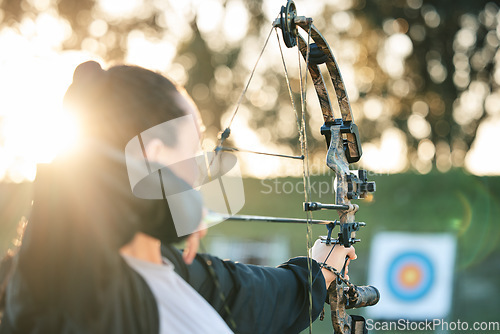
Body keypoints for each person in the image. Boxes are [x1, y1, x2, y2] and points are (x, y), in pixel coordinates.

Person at [0, 61, 356, 334]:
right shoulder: (66, 281)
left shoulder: (177, 271)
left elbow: (258, 296)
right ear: (152, 155)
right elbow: (73, 185)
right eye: (193, 148)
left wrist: (320, 269)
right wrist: (171, 204)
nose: (201, 166)